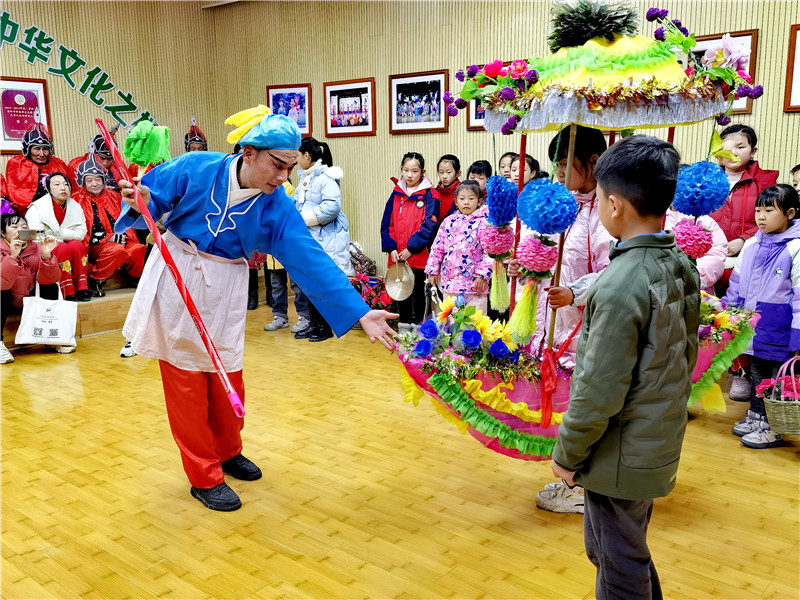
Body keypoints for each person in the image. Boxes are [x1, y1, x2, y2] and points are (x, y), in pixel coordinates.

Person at [116, 108, 396, 511]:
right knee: (187, 382)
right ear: (248, 152)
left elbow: (308, 257)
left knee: (228, 372)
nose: (284, 177)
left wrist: (358, 311)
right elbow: (150, 201)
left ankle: (228, 451)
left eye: (289, 167)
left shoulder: (276, 206)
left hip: (226, 285)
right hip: (179, 277)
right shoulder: (196, 166)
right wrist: (142, 199)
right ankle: (204, 476)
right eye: (277, 165)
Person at [551, 135, 700, 600]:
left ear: (613, 204)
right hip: (653, 437)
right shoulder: (677, 262)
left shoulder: (621, 283)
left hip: (618, 448)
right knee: (622, 549)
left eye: (596, 199)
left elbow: (599, 387)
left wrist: (567, 454)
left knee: (616, 560)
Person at [509, 125, 612, 514]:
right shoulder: (558, 204)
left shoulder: (605, 210)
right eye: (556, 164)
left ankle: (585, 487)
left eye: (566, 164)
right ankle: (573, 479)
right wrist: (528, 268)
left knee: (586, 405)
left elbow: (613, 271)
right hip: (552, 318)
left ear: (594, 163)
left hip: (584, 324)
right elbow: (547, 258)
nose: (559, 173)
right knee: (567, 403)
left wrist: (576, 293)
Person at [725, 184, 800, 449]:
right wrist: (727, 311)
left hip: (779, 328)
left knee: (774, 378)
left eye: (769, 210)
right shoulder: (752, 243)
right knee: (756, 373)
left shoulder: (796, 247)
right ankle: (756, 416)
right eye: (758, 210)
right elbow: (735, 282)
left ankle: (772, 428)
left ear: (790, 213)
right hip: (752, 326)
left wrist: (797, 337)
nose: (761, 216)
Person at [709, 124, 779, 400]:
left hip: (748, 256)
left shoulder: (765, 180)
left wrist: (743, 239)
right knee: (709, 315)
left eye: (741, 146)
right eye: (727, 146)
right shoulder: (706, 178)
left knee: (742, 315)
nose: (734, 152)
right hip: (709, 256)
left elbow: (772, 216)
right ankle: (706, 374)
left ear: (753, 150)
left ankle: (743, 374)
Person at [288, 136, 355, 342]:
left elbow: (331, 208)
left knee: (321, 287)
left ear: (307, 156)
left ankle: (325, 327)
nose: (297, 159)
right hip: (311, 240)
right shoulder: (308, 177)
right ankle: (314, 323)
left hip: (325, 241)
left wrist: (304, 219)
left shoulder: (326, 178)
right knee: (310, 285)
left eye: (298, 155)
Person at [72, 154, 145, 297]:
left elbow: (126, 219)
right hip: (95, 245)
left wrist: (121, 236)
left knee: (138, 248)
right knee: (116, 250)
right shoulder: (76, 200)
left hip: (120, 239)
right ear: (83, 182)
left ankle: (134, 278)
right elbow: (80, 233)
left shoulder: (114, 195)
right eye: (90, 180)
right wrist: (108, 238)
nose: (95, 183)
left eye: (98, 179)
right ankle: (95, 280)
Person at [380, 152, 439, 328]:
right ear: (401, 170)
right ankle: (404, 327)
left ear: (423, 172)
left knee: (420, 294)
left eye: (414, 171)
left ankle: (421, 329)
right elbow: (386, 223)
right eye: (406, 170)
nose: (410, 175)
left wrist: (412, 249)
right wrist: (392, 248)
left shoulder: (430, 194)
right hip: (398, 255)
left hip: (420, 255)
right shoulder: (396, 194)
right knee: (401, 292)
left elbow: (429, 225)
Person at [0, 213, 60, 363]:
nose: (20, 229)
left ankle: (50, 337)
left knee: (51, 286)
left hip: (28, 300)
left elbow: (50, 279)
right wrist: (13, 256)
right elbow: (2, 283)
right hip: (7, 300)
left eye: (24, 226)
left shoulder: (37, 247)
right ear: (2, 233)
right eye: (14, 227)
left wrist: (46, 256)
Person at [24, 173, 90, 309]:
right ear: (48, 189)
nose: (63, 188)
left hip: (64, 242)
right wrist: (56, 239)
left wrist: (59, 234)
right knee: (62, 247)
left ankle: (81, 287)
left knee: (77, 245)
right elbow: (28, 234)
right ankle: (66, 291)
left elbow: (81, 233)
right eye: (57, 184)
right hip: (41, 248)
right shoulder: (36, 207)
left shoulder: (76, 206)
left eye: (66, 184)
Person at [425, 180, 492, 313]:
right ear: (456, 202)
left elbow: (489, 253)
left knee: (475, 322)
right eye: (462, 198)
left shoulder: (485, 223)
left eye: (471, 198)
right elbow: (437, 247)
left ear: (479, 201)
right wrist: (433, 270)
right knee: (452, 321)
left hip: (474, 285)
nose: (466, 202)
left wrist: (482, 275)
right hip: (450, 283)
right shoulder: (448, 222)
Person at [5, 120, 77, 215]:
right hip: (26, 213)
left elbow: (73, 192)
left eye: (45, 149)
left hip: (57, 212)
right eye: (37, 149)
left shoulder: (59, 164)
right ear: (28, 149)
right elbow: (15, 196)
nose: (42, 154)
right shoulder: (17, 164)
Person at [435, 154, 461, 221]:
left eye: (449, 172)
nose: (444, 176)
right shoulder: (434, 193)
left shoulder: (462, 193)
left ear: (458, 173)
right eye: (441, 172)